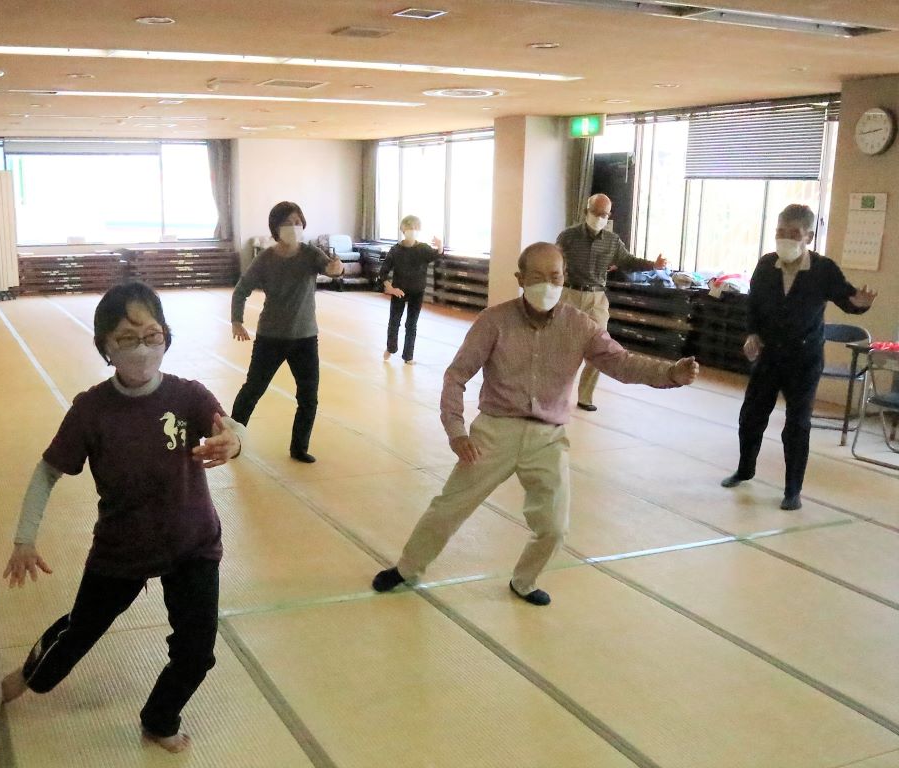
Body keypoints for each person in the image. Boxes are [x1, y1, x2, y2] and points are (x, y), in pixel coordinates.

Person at [372, 242, 698, 606]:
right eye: (538, 276)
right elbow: (456, 376)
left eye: (555, 277)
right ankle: (406, 568)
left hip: (548, 437)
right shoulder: (494, 321)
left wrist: (670, 373)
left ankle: (524, 581)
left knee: (555, 527)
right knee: (448, 508)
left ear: (564, 278)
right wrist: (457, 431)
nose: (548, 284)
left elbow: (621, 363)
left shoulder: (580, 326)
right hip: (494, 432)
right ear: (520, 278)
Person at [0, 281, 245, 754]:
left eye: (152, 336)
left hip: (193, 544)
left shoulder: (188, 396)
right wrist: (24, 539)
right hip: (122, 549)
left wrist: (234, 442)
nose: (142, 350)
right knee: (79, 632)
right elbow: (47, 472)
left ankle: (159, 719)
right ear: (105, 347)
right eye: (127, 340)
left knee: (197, 653)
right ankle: (34, 672)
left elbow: (229, 428)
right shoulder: (91, 410)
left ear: (166, 336)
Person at [721, 204, 877, 511]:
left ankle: (793, 490)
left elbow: (848, 300)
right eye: (780, 232)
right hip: (769, 356)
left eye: (793, 234)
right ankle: (744, 469)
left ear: (808, 236)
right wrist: (752, 334)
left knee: (797, 424)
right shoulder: (766, 265)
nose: (785, 239)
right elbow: (753, 306)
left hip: (804, 359)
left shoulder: (823, 269)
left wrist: (861, 303)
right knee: (751, 416)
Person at [230, 201, 344, 463]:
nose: (293, 227)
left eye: (297, 222)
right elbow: (241, 289)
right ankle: (232, 438)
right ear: (275, 228)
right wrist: (237, 321)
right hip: (270, 338)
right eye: (287, 223)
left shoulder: (311, 254)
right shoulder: (265, 259)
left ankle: (299, 448)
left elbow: (332, 269)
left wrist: (337, 270)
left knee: (308, 397)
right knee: (253, 389)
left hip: (305, 338)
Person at [556, 193, 667, 412]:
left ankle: (585, 397)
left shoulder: (612, 241)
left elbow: (627, 261)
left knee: (599, 347)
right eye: (596, 213)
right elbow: (555, 258)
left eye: (604, 215)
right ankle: (556, 393)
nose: (599, 218)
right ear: (586, 211)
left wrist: (652, 265)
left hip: (597, 297)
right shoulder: (568, 236)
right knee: (564, 347)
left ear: (609, 216)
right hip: (570, 294)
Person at [379, 215, 444, 365]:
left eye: (414, 228)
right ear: (403, 230)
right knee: (394, 321)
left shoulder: (423, 249)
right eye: (409, 228)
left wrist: (440, 245)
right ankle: (391, 347)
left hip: (417, 291)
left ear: (418, 230)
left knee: (411, 324)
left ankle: (408, 356)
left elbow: (437, 255)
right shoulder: (395, 250)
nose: (412, 231)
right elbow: (383, 273)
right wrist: (391, 289)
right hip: (399, 291)